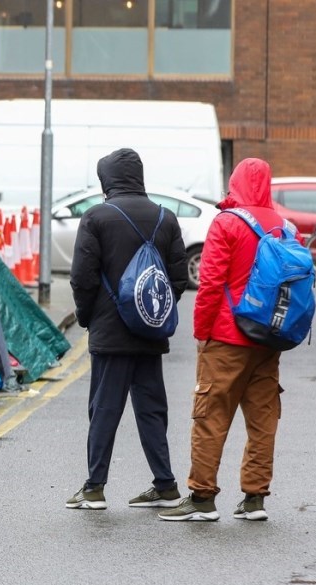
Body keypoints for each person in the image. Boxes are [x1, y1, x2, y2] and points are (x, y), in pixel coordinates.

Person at [159, 158, 286, 522]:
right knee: (263, 419)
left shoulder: (228, 223)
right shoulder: (282, 225)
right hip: (268, 339)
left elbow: (210, 285)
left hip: (228, 339)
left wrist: (201, 334)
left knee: (211, 415)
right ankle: (254, 499)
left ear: (237, 184)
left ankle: (202, 498)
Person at [67, 148, 189, 510]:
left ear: (107, 179)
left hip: (109, 333)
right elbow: (179, 278)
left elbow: (81, 278)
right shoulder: (165, 217)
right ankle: (166, 486)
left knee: (105, 408)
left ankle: (94, 488)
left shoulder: (97, 217)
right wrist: (152, 314)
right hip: (150, 332)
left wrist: (88, 317)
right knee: (152, 409)